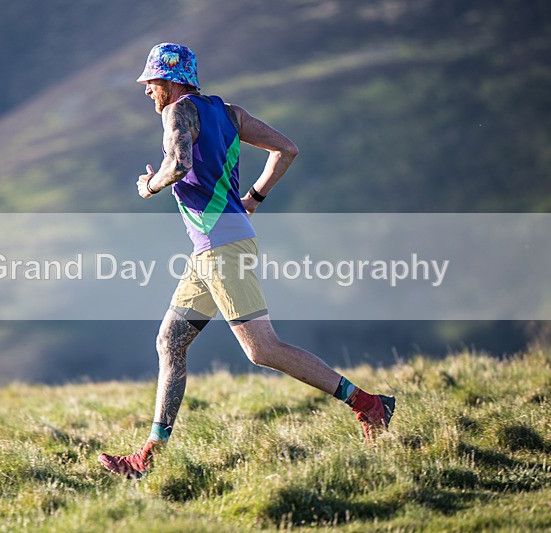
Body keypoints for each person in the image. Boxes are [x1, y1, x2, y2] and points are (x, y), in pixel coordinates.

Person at [98, 43, 395, 478]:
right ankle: (149, 457)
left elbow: (178, 165)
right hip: (216, 248)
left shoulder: (177, 112)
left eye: (152, 82)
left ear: (172, 80)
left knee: (262, 349)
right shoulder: (229, 112)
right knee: (170, 341)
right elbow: (287, 149)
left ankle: (368, 404)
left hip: (221, 249)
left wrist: (148, 185)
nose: (147, 91)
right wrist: (253, 198)